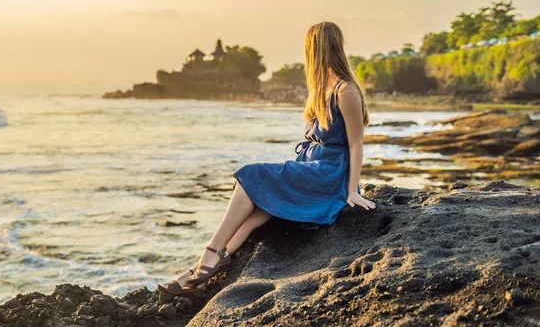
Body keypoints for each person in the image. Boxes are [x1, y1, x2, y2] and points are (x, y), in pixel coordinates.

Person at [157, 21, 376, 301]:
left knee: (251, 175)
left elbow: (356, 144)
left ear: (315, 50)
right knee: (251, 218)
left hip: (327, 174)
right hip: (311, 168)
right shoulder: (320, 90)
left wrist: (352, 190)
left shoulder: (345, 91)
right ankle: (195, 278)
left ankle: (210, 253)